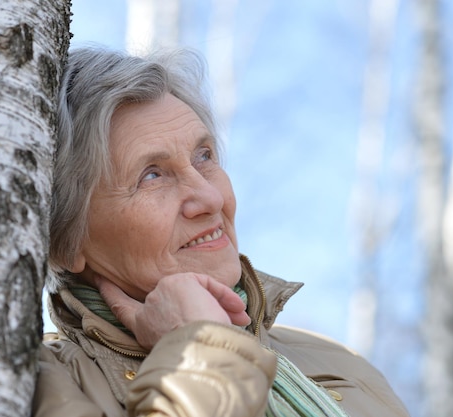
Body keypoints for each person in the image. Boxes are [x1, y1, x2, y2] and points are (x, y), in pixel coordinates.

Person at [32, 46, 409, 417]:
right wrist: (200, 343)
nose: (210, 197)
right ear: (67, 241)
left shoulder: (343, 363)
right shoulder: (42, 384)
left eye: (204, 156)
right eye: (152, 175)